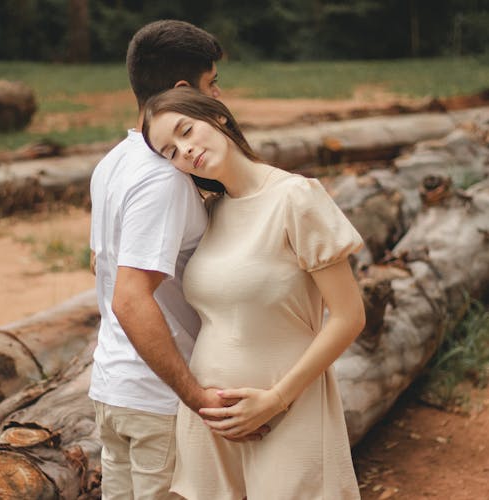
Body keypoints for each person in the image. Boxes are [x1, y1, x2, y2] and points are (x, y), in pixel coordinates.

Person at [142, 86, 366, 499]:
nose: (185, 151)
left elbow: (350, 316)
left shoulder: (296, 197)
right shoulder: (210, 212)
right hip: (212, 419)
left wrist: (276, 399)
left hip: (287, 410)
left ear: (219, 117)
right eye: (170, 151)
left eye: (186, 131)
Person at [89, 20, 256, 500]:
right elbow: (129, 298)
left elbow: (99, 263)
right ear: (184, 90)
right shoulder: (161, 178)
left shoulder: (113, 162)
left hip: (114, 389)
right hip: (159, 400)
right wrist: (197, 398)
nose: (220, 95)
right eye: (213, 84)